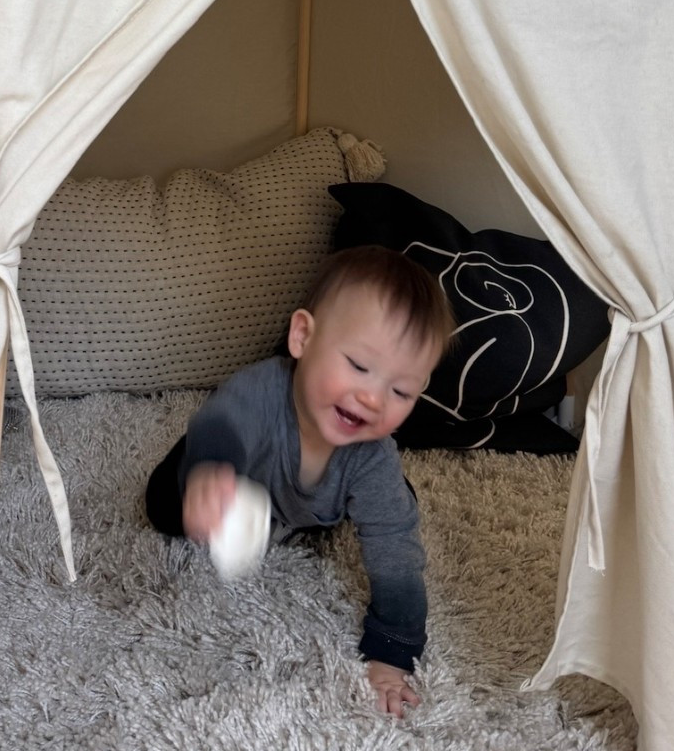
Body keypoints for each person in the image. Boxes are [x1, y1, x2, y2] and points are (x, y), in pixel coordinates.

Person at [145, 244, 454, 717]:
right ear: (303, 337)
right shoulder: (262, 392)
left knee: (392, 513)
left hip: (315, 504)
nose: (372, 398)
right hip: (242, 466)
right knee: (167, 505)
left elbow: (396, 559)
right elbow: (220, 423)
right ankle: (206, 476)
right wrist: (209, 474)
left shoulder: (373, 458)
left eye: (400, 391)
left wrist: (392, 652)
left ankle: (310, 508)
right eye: (358, 365)